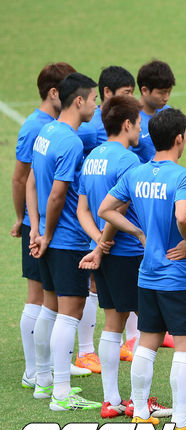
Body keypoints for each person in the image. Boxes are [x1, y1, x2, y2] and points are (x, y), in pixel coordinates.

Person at [98, 107, 186, 430]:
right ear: (179, 139)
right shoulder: (183, 177)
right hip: (178, 276)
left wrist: (137, 232)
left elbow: (106, 209)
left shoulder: (137, 173)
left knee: (147, 342)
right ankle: (182, 422)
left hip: (146, 274)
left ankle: (140, 412)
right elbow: (182, 216)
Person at [27, 72, 101, 410]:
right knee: (70, 313)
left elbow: (31, 181)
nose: (96, 106)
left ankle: (43, 381)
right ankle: (61, 392)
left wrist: (36, 228)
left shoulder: (46, 132)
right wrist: (47, 233)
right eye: (93, 99)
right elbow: (57, 195)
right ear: (79, 100)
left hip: (47, 237)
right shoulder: (71, 142)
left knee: (49, 307)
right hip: (67, 240)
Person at [76, 95, 151, 419]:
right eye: (138, 123)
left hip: (105, 254)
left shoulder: (92, 157)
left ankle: (111, 400)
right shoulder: (128, 161)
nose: (140, 130)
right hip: (127, 253)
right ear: (127, 124)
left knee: (112, 323)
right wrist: (103, 242)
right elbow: (117, 209)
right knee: (148, 324)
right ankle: (137, 401)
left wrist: (96, 242)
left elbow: (82, 209)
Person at [11, 62, 80, 390]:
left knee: (49, 300)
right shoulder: (35, 127)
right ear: (55, 93)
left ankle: (49, 368)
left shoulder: (51, 127)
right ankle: (34, 371)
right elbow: (21, 177)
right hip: (38, 223)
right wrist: (23, 220)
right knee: (38, 297)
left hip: (39, 221)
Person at [131, 60, 175, 164]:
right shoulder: (130, 118)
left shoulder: (169, 114)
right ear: (144, 90)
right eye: (161, 93)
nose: (166, 98)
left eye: (169, 92)